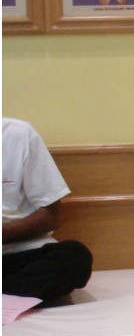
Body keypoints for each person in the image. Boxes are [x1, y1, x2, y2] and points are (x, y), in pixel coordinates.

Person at [3, 118, 93, 303]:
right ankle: (15, 297)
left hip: (16, 253)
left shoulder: (17, 134)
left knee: (74, 257)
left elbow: (52, 215)